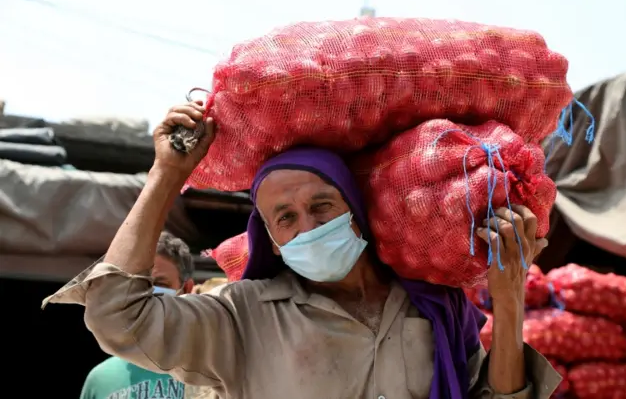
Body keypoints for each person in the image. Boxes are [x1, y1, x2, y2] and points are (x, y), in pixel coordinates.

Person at [46, 100, 561, 399]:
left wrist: (508, 298)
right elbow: (117, 315)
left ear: (357, 212)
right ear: (270, 238)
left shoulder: (437, 308)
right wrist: (167, 174)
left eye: (323, 206)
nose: (308, 226)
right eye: (285, 218)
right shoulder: (241, 318)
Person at [79, 231, 195, 399]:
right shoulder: (100, 380)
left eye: (159, 284)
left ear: (187, 289)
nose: (145, 294)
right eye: (136, 284)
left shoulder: (211, 371)